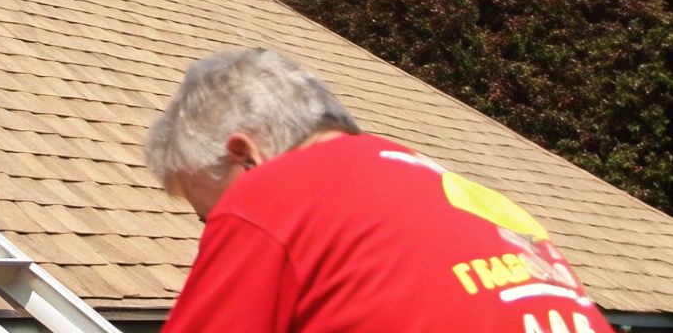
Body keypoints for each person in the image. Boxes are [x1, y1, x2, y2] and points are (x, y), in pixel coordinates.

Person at [147, 47, 615, 333]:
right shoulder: (471, 202)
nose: (213, 233)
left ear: (247, 156)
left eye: (209, 216)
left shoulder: (278, 193)